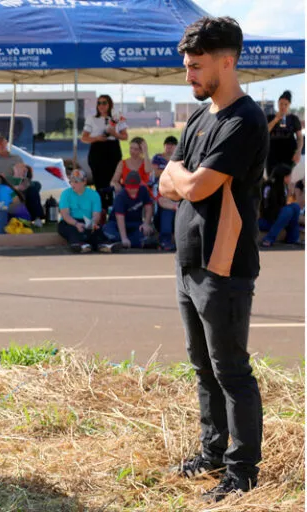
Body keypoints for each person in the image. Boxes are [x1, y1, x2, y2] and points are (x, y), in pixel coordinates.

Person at [159, 16, 267, 502]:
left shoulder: (245, 120)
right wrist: (185, 178)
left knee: (231, 370)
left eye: (196, 66)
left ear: (228, 62)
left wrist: (186, 178)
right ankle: (212, 452)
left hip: (223, 265)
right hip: (188, 262)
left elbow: (193, 185)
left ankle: (242, 472)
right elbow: (166, 182)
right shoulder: (202, 118)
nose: (188, 75)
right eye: (186, 66)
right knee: (202, 367)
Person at [81, 94, 128, 211]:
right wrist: (97, 138)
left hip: (112, 149)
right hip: (97, 150)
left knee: (113, 179)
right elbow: (84, 138)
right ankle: (101, 209)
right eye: (99, 103)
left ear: (109, 104)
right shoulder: (91, 118)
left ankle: (113, 207)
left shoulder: (117, 118)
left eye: (104, 103)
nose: (101, 106)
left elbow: (125, 136)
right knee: (99, 181)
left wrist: (114, 134)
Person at [57, 169, 116, 253]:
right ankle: (80, 245)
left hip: (88, 221)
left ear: (84, 182)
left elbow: (96, 215)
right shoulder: (65, 194)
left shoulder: (94, 195)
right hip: (70, 222)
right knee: (72, 230)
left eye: (76, 182)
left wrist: (92, 223)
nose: (73, 184)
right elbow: (65, 215)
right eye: (71, 182)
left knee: (96, 231)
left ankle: (104, 245)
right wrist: (76, 224)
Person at [102, 171, 155, 249]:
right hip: (116, 224)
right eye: (130, 187)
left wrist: (146, 223)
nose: (132, 190)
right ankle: (129, 242)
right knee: (108, 231)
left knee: (146, 232)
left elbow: (148, 207)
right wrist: (124, 238)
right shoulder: (121, 196)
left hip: (135, 223)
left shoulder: (143, 190)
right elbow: (120, 218)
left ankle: (123, 243)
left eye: (134, 188)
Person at [259, 163, 302, 247]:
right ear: (284, 177)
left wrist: (290, 193)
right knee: (288, 210)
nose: (291, 178)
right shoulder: (268, 187)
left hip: (279, 218)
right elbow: (267, 208)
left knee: (295, 207)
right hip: (267, 221)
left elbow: (284, 205)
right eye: (289, 176)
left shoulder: (284, 187)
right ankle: (268, 239)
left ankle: (293, 238)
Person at [153, 136, 180, 250]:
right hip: (162, 190)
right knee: (165, 206)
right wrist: (171, 171)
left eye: (172, 145)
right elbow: (155, 173)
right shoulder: (158, 157)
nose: (169, 147)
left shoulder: (180, 159)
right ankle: (165, 239)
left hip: (177, 190)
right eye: (167, 144)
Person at [266, 90, 303, 173]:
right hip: (272, 156)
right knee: (272, 180)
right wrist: (276, 119)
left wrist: (298, 151)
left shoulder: (294, 119)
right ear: (278, 103)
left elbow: (300, 137)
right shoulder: (270, 117)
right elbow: (265, 132)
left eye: (286, 104)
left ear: (289, 105)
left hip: (288, 156)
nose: (283, 106)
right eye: (281, 104)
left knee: (287, 180)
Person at [8, 162, 45, 227]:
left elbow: (37, 185)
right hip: (13, 206)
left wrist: (25, 185)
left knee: (32, 191)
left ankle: (37, 218)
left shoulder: (30, 183)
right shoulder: (9, 180)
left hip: (25, 205)